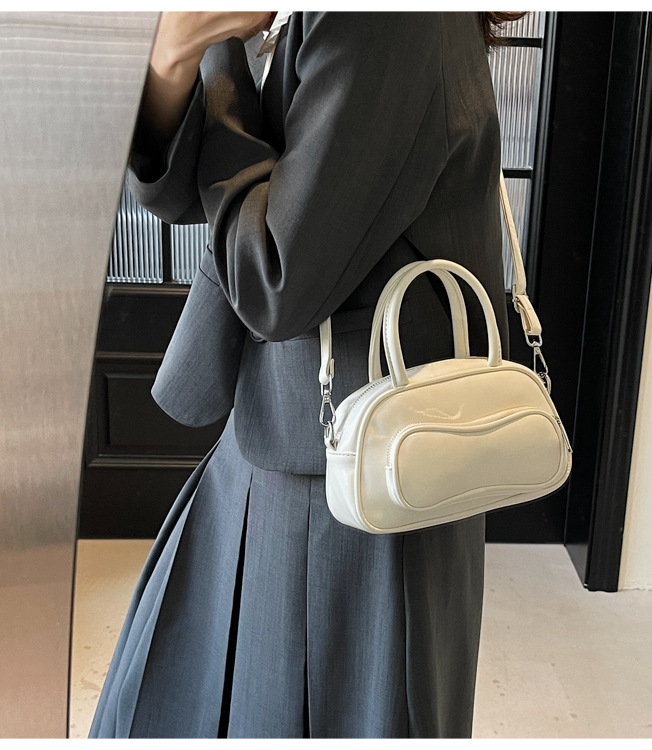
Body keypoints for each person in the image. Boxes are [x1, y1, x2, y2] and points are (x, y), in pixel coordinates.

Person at [88, 10, 523, 739]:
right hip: (308, 441)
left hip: (348, 480)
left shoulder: (384, 24)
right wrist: (174, 57)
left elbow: (273, 277)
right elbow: (185, 194)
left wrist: (217, 55)